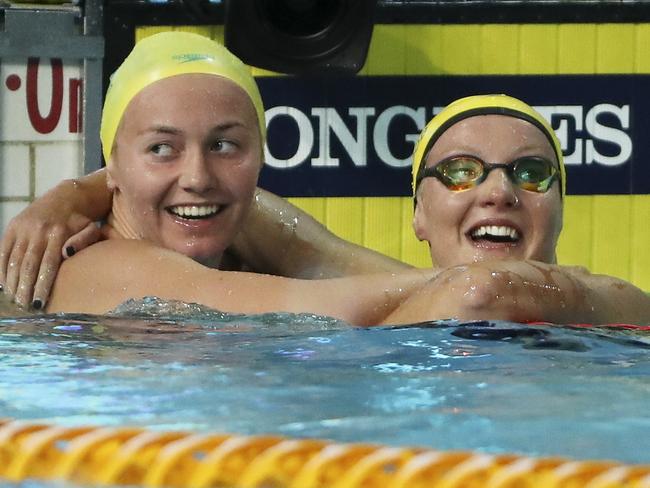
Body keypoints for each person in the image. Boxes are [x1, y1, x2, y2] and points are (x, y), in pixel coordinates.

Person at [2, 68, 649, 323]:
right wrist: (70, 195)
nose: (498, 191)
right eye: (459, 172)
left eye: (532, 174)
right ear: (418, 216)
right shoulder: (103, 260)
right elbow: (476, 293)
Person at [0, 30, 437, 321]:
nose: (197, 177)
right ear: (112, 165)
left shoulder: (247, 237)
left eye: (224, 146)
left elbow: (342, 267)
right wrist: (478, 286)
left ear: (261, 154)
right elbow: (319, 312)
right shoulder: (105, 265)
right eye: (161, 149)